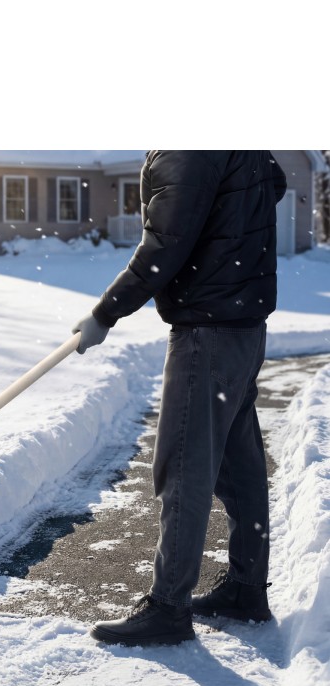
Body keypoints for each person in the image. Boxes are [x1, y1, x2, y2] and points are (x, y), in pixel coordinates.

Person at [72, 150, 287, 647]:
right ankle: (245, 589)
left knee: (184, 464)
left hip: (207, 327)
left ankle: (169, 606)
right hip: (243, 320)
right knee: (238, 462)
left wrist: (105, 313)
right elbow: (270, 185)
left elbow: (166, 242)